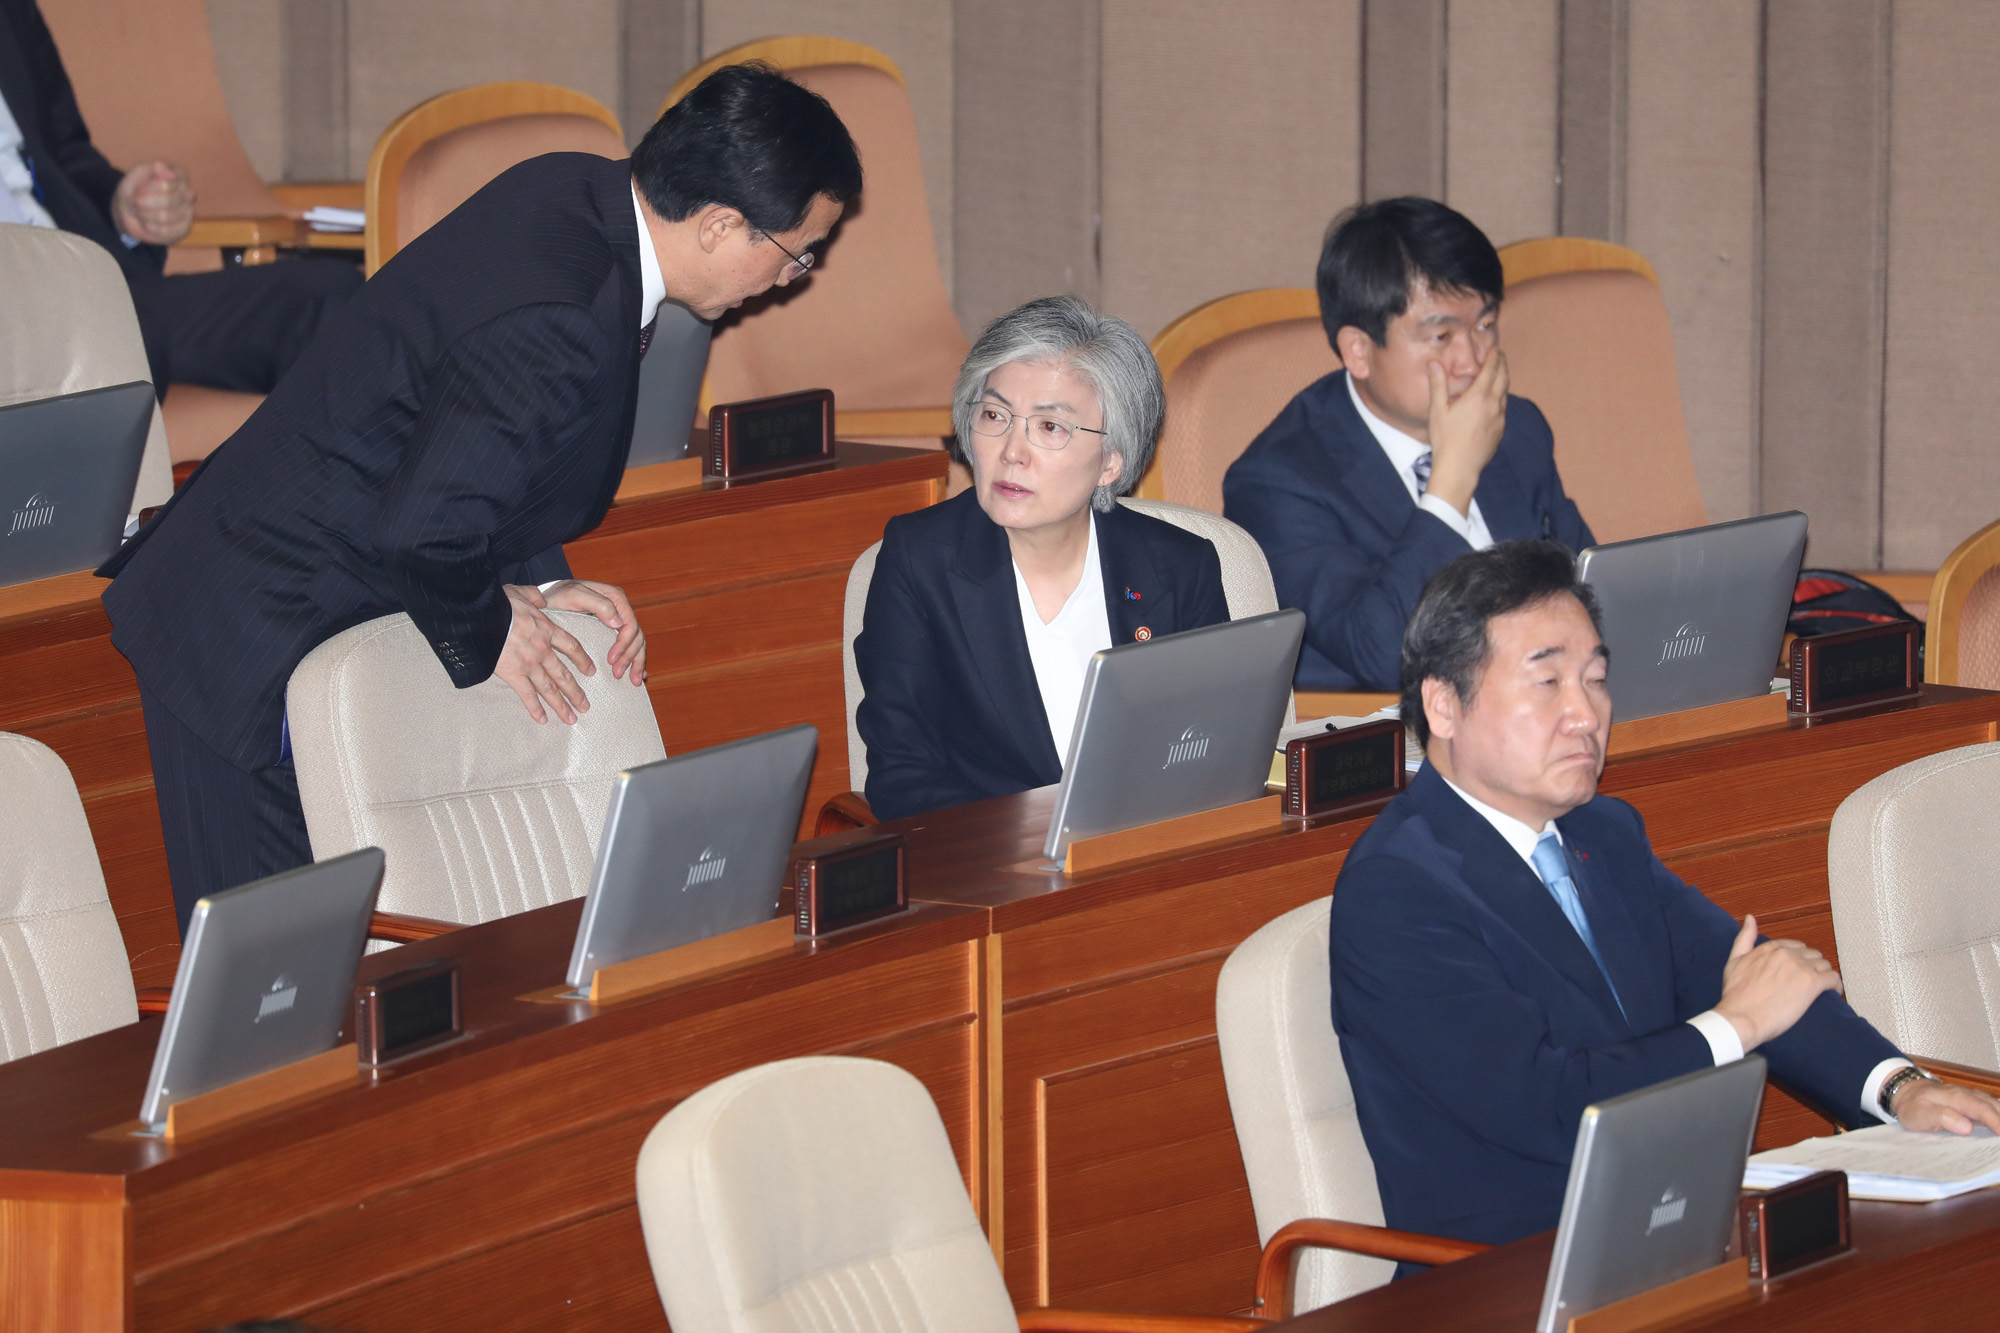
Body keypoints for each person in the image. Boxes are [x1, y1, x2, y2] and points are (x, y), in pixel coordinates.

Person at [97, 62, 862, 932]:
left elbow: (481, 438)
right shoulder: (564, 309)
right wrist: (494, 625)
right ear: (722, 224)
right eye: (796, 251)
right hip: (249, 622)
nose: (792, 277)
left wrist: (537, 585)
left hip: (302, 577)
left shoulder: (583, 192)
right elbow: (426, 532)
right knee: (269, 986)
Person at [1328, 539, 2000, 1254]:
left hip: (1671, 1228)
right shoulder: (1397, 889)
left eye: (1596, 679)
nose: (1585, 714)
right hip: (1509, 1271)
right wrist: (1735, 1023)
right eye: (1547, 682)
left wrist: (1901, 1090)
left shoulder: (1602, 832)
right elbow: (1549, 1107)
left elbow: (1746, 971)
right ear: (1443, 704)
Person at [854, 295, 1229, 822]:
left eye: (1050, 428)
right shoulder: (921, 561)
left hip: (1149, 854)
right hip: (994, 873)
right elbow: (903, 774)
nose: (1012, 450)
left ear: (1110, 463)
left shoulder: (1179, 567)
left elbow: (1213, 752)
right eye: (994, 414)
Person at [1223, 198, 1593, 692]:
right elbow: (1384, 655)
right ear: (1359, 350)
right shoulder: (1279, 484)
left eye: (1485, 326)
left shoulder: (1517, 428)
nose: (1471, 361)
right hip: (1389, 744)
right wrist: (1452, 482)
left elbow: (1590, 593)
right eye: (1441, 336)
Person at [0, 0, 360, 395]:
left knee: (327, 297)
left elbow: (65, 151)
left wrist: (122, 206)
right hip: (22, 311)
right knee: (124, 346)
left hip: (89, 282)